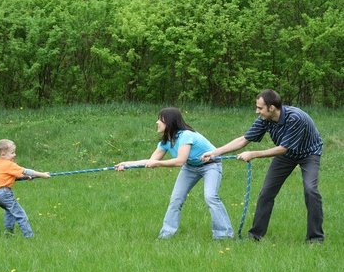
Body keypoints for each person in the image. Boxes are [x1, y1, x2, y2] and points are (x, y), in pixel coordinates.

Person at [202, 89, 324, 243]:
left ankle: (315, 238)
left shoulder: (296, 118)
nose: (257, 111)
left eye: (260, 108)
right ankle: (255, 236)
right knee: (266, 192)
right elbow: (244, 139)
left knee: (310, 190)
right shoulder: (265, 119)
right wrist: (215, 153)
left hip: (308, 153)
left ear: (271, 108)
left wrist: (253, 154)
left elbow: (282, 148)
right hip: (286, 156)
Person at [116, 107, 234, 240]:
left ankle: (224, 235)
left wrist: (158, 164)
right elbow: (151, 160)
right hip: (190, 167)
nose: (157, 122)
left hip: (211, 165)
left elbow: (179, 161)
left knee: (210, 197)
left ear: (169, 122)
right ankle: (166, 235)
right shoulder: (165, 142)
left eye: (160, 120)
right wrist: (127, 164)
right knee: (175, 200)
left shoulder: (186, 136)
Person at [0, 139, 50, 238]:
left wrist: (25, 177)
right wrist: (42, 174)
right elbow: (26, 171)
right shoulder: (8, 164)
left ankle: (8, 233)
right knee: (21, 215)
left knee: (10, 212)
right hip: (4, 193)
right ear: (3, 154)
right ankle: (29, 236)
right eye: (12, 152)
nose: (15, 155)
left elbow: (12, 174)